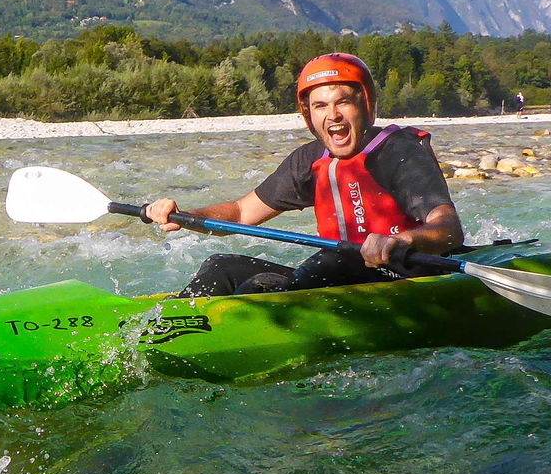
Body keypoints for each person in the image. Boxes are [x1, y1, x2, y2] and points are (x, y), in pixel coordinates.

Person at [145, 53, 463, 297]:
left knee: (330, 260)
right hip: (336, 277)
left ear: (366, 105)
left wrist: (401, 240)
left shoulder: (400, 151)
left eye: (343, 102)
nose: (333, 115)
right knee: (221, 267)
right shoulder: (309, 161)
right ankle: (177, 327)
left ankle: (245, 325)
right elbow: (241, 213)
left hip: (406, 276)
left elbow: (448, 228)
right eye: (321, 106)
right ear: (309, 115)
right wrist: (185, 216)